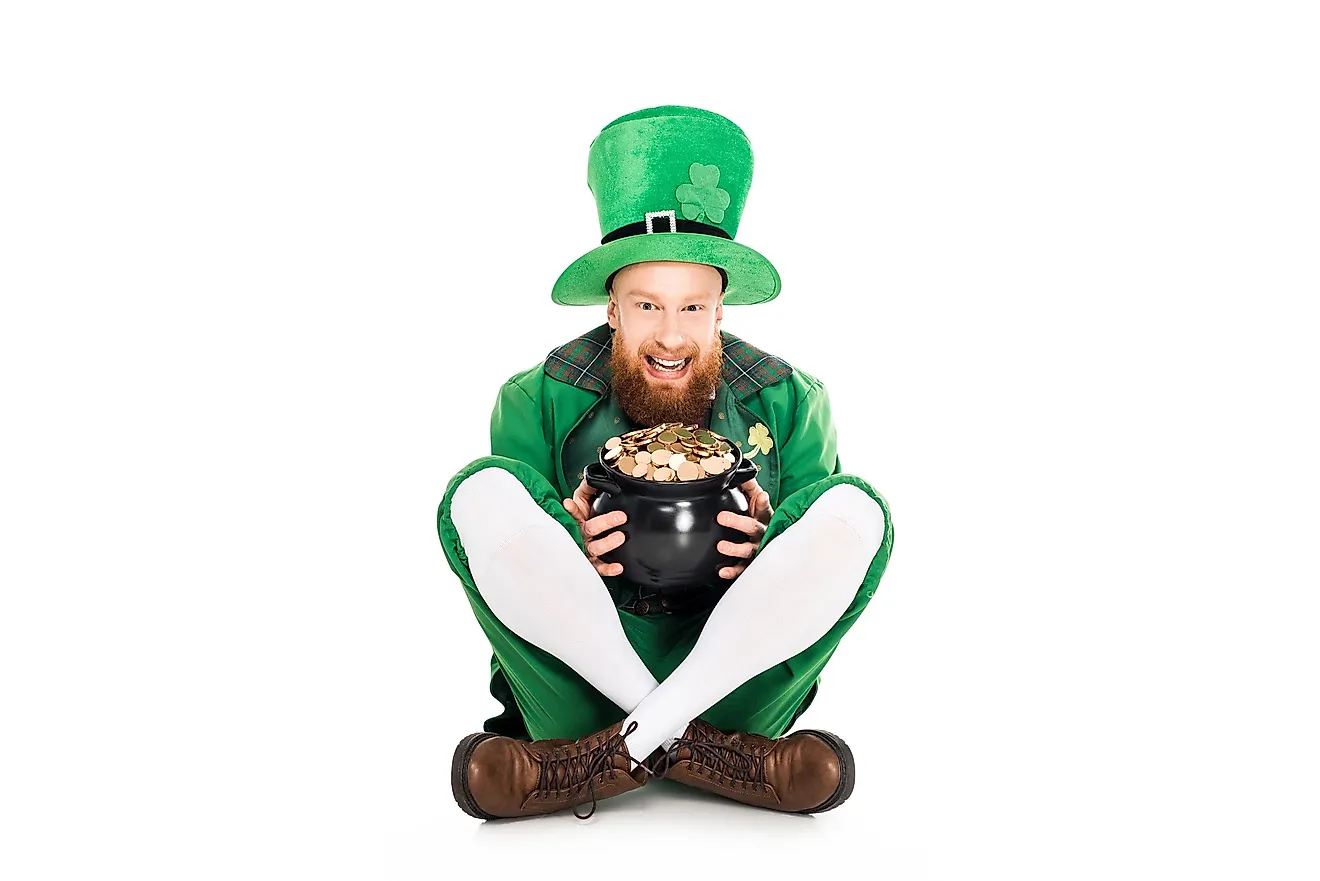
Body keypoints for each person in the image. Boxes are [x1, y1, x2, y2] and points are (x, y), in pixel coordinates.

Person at [437, 106, 894, 820]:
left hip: (736, 684)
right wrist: (567, 534)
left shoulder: (794, 399)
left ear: (721, 309)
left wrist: (773, 546)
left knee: (857, 509)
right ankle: (706, 755)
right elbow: (511, 564)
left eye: (693, 306)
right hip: (579, 687)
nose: (671, 336)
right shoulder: (534, 396)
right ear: (613, 306)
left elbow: (818, 571)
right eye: (648, 303)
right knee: (479, 492)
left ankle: (601, 760)